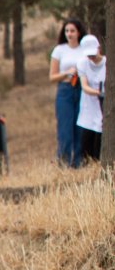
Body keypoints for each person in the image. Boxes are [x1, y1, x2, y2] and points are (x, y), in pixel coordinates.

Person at [51, 19, 87, 167]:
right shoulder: (59, 50)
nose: (69, 34)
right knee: (65, 128)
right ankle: (63, 161)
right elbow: (52, 76)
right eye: (67, 31)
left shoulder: (84, 49)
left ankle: (78, 162)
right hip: (65, 89)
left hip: (81, 88)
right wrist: (66, 72)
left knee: (80, 127)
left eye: (72, 31)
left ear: (78, 32)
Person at [76, 34, 105, 164]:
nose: (91, 58)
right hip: (89, 106)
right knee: (86, 142)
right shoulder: (82, 64)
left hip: (104, 106)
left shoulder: (107, 63)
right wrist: (97, 92)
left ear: (99, 48)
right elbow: (84, 86)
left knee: (99, 138)